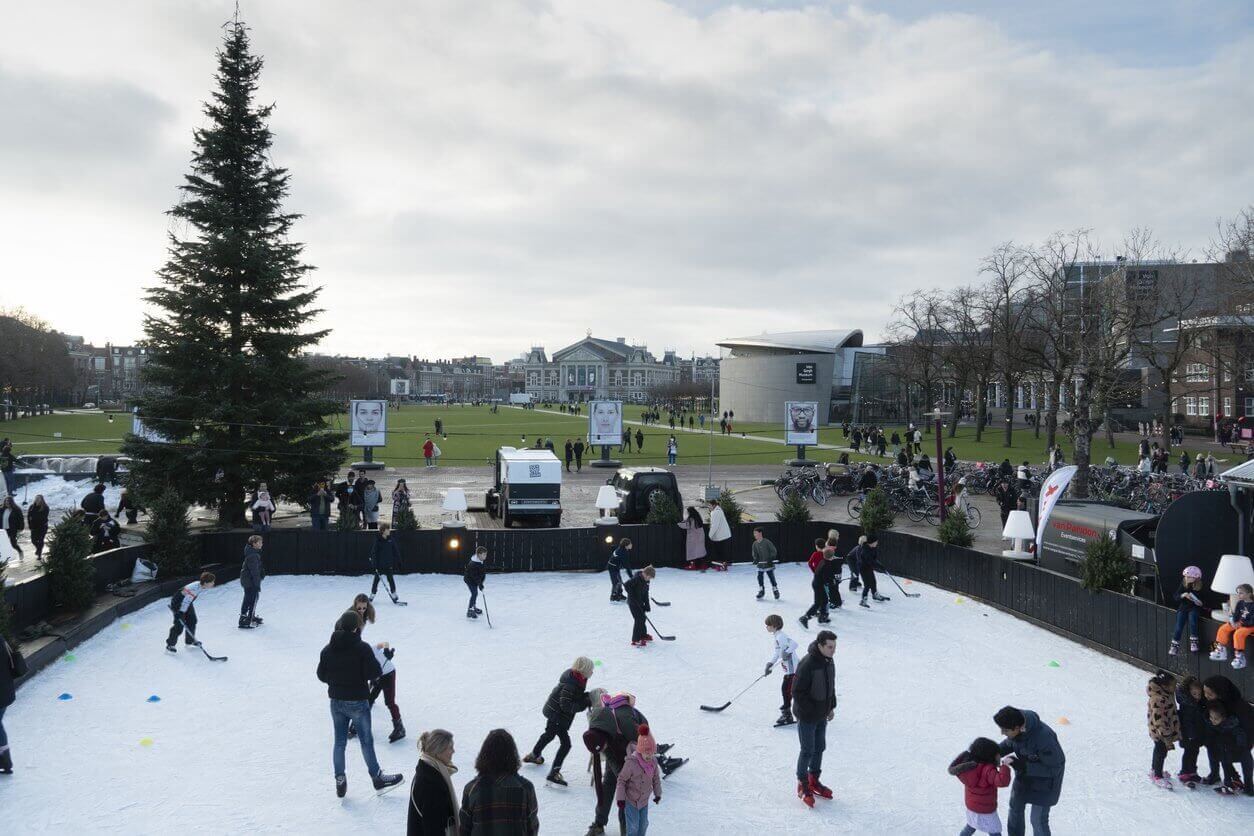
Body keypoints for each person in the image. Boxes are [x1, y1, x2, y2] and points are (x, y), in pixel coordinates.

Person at [316, 609, 404, 797]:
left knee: (339, 742)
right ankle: (377, 778)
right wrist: (385, 659)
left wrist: (337, 680)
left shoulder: (327, 649)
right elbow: (374, 674)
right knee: (366, 741)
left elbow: (321, 675)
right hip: (357, 703)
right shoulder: (362, 648)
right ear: (356, 628)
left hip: (336, 703)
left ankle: (339, 777)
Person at [523, 656, 595, 786]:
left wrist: (585, 697)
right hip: (557, 715)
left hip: (554, 713)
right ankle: (553, 773)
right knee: (566, 744)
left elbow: (574, 697)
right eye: (591, 670)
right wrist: (583, 704)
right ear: (583, 670)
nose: (592, 672)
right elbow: (566, 705)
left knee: (549, 735)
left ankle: (534, 754)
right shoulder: (571, 684)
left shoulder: (577, 679)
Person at [994, 706, 1065, 836]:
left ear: (1017, 727)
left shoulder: (1045, 738)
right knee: (1015, 811)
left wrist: (1023, 766)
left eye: (1005, 730)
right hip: (1025, 778)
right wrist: (991, 753)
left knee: (1037, 820)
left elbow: (1055, 768)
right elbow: (1008, 744)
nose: (1002, 732)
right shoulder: (1016, 731)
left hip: (1046, 784)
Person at [459, 729, 539, 834]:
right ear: (512, 755)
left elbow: (464, 829)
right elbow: (532, 828)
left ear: (484, 755)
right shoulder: (525, 787)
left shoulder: (472, 788)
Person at [793, 630, 837, 807]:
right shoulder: (808, 663)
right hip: (807, 716)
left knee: (819, 747)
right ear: (820, 645)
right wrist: (811, 711)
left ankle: (813, 779)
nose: (833, 650)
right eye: (829, 647)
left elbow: (830, 685)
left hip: (821, 714)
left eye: (834, 647)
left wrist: (830, 707)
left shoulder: (829, 661)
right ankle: (802, 783)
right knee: (807, 750)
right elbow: (797, 692)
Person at [947, 737, 1012, 836]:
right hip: (986, 809)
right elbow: (1002, 781)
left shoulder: (968, 768)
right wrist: (1005, 766)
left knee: (971, 826)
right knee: (994, 831)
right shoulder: (988, 770)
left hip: (972, 806)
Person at [1201, 675, 1254, 794]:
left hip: (1239, 740)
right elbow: (1206, 717)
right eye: (1205, 692)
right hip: (1220, 739)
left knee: (1245, 760)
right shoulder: (1211, 702)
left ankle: (1248, 785)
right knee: (1216, 754)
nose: (1206, 696)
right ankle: (1217, 775)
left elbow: (1249, 725)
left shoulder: (1240, 706)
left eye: (1209, 693)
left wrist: (1246, 742)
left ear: (1220, 693)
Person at [409, 729, 460, 836]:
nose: (453, 751)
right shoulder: (431, 784)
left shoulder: (426, 770)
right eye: (450, 748)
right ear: (438, 751)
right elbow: (433, 828)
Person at [615, 723, 662, 836]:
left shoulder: (653, 762)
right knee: (633, 826)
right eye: (646, 753)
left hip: (644, 800)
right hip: (631, 800)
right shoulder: (631, 763)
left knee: (644, 824)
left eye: (651, 752)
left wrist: (658, 794)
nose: (649, 756)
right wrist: (620, 799)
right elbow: (621, 780)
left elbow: (656, 779)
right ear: (640, 750)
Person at [1147, 669, 1181, 788]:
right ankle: (1157, 775)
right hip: (1161, 732)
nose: (1175, 688)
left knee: (1161, 751)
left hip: (1164, 730)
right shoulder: (1159, 699)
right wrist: (1166, 735)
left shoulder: (1166, 694)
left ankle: (1155, 770)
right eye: (1173, 686)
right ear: (1164, 686)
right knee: (1160, 752)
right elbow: (1159, 719)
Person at [165, 572, 216, 652]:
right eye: (212, 582)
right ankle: (170, 644)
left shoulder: (200, 586)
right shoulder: (195, 588)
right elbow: (185, 601)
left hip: (187, 602)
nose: (213, 583)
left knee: (192, 620)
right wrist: (180, 612)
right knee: (179, 625)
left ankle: (190, 640)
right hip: (178, 603)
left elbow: (188, 601)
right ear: (206, 583)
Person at [1208, 582, 1253, 669]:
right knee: (1223, 628)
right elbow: (1236, 614)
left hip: (1250, 625)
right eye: (1238, 592)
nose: (1239, 595)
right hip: (1240, 623)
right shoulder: (1240, 603)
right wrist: (1234, 621)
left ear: (1249, 594)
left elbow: (1252, 620)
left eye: (1241, 593)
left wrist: (1241, 623)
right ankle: (1220, 650)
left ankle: (1240, 657)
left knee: (1238, 634)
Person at [764, 614, 799, 727]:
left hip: (793, 670)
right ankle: (788, 713)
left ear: (774, 626)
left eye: (768, 625)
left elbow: (794, 644)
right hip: (789, 670)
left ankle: (789, 714)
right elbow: (777, 652)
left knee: (787, 690)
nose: (766, 627)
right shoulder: (777, 637)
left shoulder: (781, 636)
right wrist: (770, 664)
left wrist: (787, 652)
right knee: (787, 691)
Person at [1174, 676, 1206, 787]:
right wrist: (1191, 734)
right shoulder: (1187, 706)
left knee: (1195, 752)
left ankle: (1192, 772)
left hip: (1196, 735)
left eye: (1199, 694)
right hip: (1188, 735)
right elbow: (1187, 722)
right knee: (1188, 753)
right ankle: (1184, 772)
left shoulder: (1198, 705)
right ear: (1189, 692)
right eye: (1194, 694)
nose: (1197, 697)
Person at [1170, 566, 1206, 655]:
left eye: (1189, 577)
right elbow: (1176, 596)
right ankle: (1174, 645)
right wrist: (1183, 595)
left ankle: (1194, 642)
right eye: (1186, 577)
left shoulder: (1200, 586)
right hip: (1183, 608)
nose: (1187, 578)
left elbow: (1205, 600)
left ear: (1196, 578)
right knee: (1179, 626)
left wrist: (1200, 602)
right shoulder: (1183, 584)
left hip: (1194, 608)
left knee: (1193, 620)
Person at [799, 538, 834, 628]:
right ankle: (805, 618)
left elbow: (824, 575)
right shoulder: (827, 565)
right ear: (831, 557)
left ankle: (822, 617)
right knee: (818, 602)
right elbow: (826, 578)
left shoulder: (823, 562)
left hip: (817, 583)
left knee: (825, 600)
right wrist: (832, 582)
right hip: (819, 585)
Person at [370, 522, 403, 603]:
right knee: (376, 581)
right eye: (388, 529)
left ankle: (394, 594)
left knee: (391, 580)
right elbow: (374, 553)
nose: (389, 531)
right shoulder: (378, 540)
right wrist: (374, 564)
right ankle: (372, 595)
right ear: (383, 531)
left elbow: (396, 551)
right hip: (380, 565)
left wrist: (399, 561)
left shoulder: (391, 540)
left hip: (389, 564)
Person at [238, 535, 264, 629]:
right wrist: (257, 585)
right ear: (254, 544)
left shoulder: (252, 552)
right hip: (250, 581)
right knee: (253, 598)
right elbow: (254, 572)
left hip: (247, 580)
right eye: (260, 542)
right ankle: (247, 619)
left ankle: (247, 617)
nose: (262, 544)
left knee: (249, 598)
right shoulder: (253, 555)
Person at [625, 565, 655, 647]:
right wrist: (632, 596)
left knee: (643, 618)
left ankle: (643, 635)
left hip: (640, 602)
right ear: (645, 574)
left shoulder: (646, 581)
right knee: (639, 619)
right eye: (649, 577)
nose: (649, 579)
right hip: (633, 603)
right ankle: (636, 639)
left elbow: (646, 593)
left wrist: (647, 604)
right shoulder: (636, 579)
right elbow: (627, 585)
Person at [856, 535, 887, 607]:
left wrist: (881, 565)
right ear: (872, 542)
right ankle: (863, 600)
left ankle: (875, 594)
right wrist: (880, 566)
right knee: (867, 584)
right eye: (876, 542)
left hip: (869, 567)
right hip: (863, 568)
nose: (877, 543)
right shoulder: (865, 550)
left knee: (873, 581)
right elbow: (870, 561)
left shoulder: (873, 548)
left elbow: (874, 559)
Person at [751, 527, 779, 600]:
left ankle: (775, 589)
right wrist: (756, 559)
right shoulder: (755, 544)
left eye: (755, 533)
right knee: (759, 577)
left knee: (771, 577)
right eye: (754, 533)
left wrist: (771, 558)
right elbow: (754, 553)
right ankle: (761, 590)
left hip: (768, 563)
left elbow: (774, 551)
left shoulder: (767, 542)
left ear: (760, 533)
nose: (754, 535)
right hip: (760, 564)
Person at [706, 499, 732, 569]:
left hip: (721, 537)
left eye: (709, 505)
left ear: (714, 505)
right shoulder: (719, 511)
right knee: (724, 553)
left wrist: (709, 535)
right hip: (724, 535)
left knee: (720, 553)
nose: (708, 507)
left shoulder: (715, 513)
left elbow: (714, 526)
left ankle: (721, 565)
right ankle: (723, 564)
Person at [607, 538, 633, 602]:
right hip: (612, 567)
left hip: (616, 567)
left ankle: (619, 594)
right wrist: (631, 576)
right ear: (626, 545)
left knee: (619, 581)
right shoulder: (623, 552)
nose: (631, 545)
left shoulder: (623, 550)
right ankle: (613, 596)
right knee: (616, 582)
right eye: (630, 544)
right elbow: (626, 566)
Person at [464, 546, 487, 619]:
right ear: (479, 555)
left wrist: (481, 582)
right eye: (484, 554)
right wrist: (480, 584)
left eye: (485, 554)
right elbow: (474, 576)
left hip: (475, 580)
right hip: (470, 580)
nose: (485, 556)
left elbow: (482, 573)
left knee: (475, 594)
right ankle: (470, 610)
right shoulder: (473, 564)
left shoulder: (480, 561)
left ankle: (473, 607)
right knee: (474, 593)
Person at [26, 495, 49, 559]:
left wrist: (36, 518)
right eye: (36, 498)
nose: (37, 500)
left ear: (42, 499)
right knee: (33, 540)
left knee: (40, 540)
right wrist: (30, 524)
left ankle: (39, 554)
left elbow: (44, 517)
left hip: (42, 526)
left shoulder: (45, 507)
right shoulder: (32, 507)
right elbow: (28, 516)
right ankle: (38, 549)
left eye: (38, 499)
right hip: (34, 527)